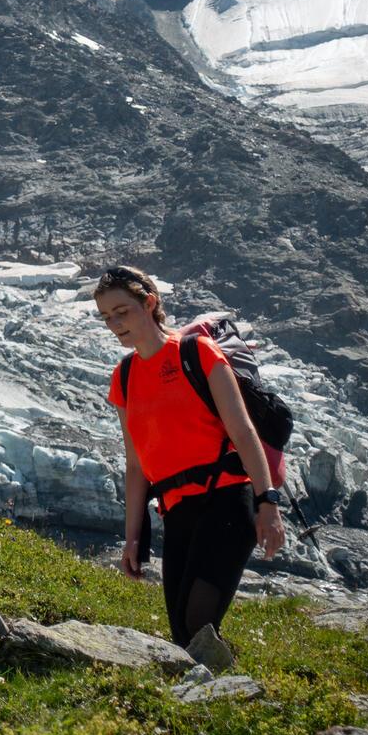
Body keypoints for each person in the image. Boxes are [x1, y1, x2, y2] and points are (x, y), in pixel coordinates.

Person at [95, 265, 284, 648]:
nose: (115, 324)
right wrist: (133, 539)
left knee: (197, 620)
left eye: (122, 311)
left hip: (229, 499)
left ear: (149, 303)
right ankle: (215, 695)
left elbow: (243, 432)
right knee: (182, 633)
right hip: (178, 511)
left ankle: (224, 694)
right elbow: (136, 467)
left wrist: (268, 503)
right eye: (106, 317)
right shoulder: (125, 376)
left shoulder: (196, 352)